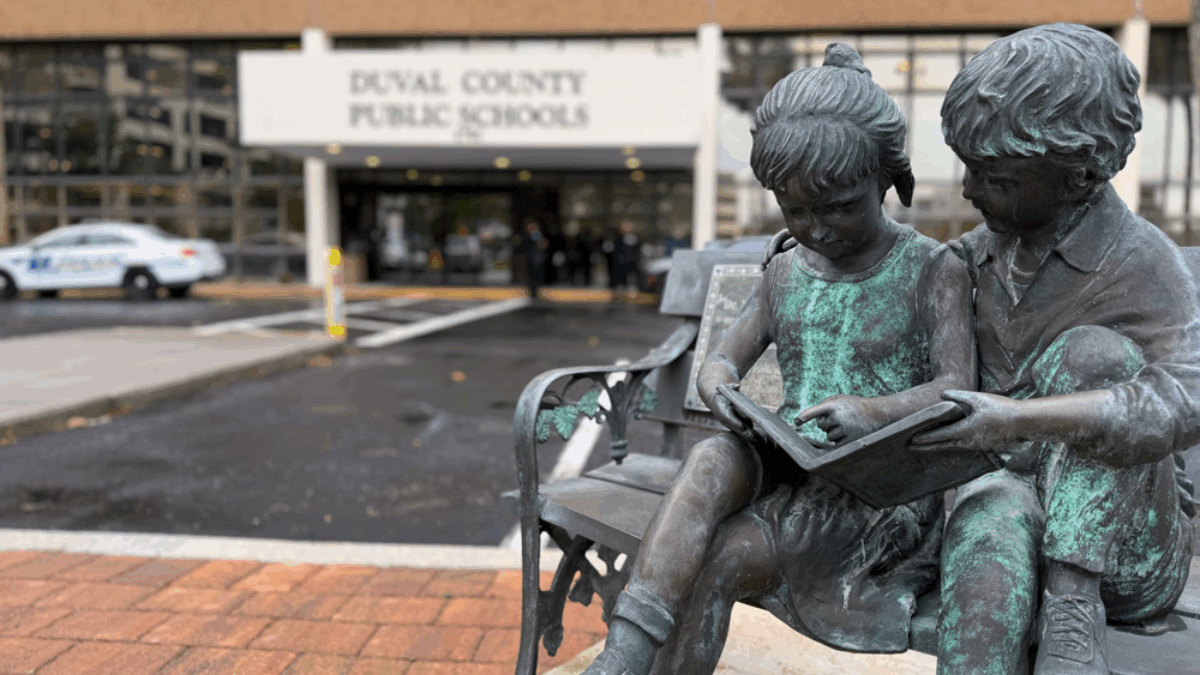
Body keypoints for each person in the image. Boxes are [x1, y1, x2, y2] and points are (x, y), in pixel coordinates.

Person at [582, 43, 976, 675]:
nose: (817, 228)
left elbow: (959, 389)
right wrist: (719, 384)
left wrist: (875, 411)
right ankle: (624, 654)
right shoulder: (786, 269)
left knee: (723, 559)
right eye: (797, 210)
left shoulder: (933, 268)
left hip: (875, 495)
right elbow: (723, 359)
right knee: (711, 454)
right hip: (790, 459)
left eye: (841, 206)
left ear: (887, 179)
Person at [912, 23, 1199, 675]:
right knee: (991, 513)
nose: (969, 190)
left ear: (1080, 174)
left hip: (1127, 556)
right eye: (970, 167)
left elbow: (1188, 397)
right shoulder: (974, 256)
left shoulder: (1141, 261)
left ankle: (1072, 607)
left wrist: (1020, 417)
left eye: (998, 176)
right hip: (1012, 509)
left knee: (1092, 357)